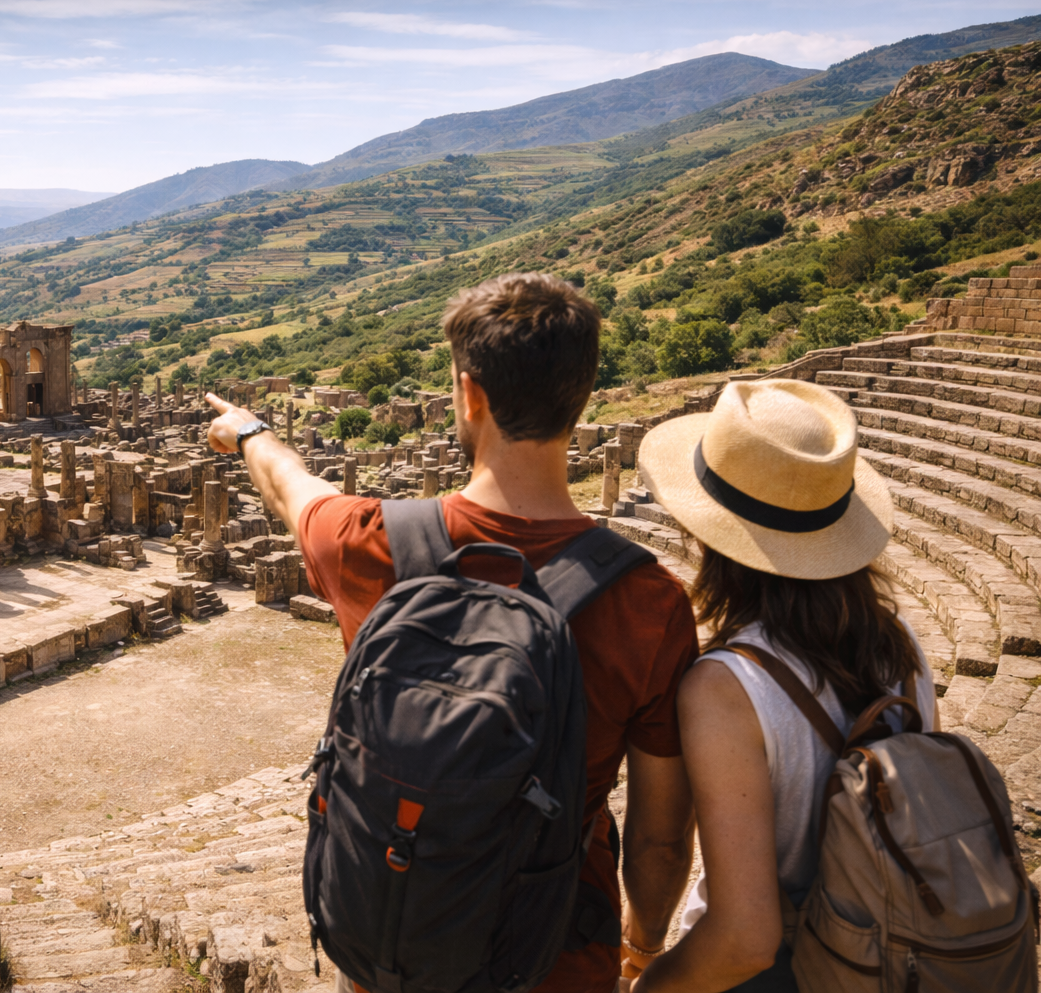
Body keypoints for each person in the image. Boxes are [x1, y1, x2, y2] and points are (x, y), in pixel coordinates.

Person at [204, 272, 700, 993]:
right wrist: (642, 947)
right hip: (553, 952)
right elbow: (658, 837)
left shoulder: (367, 541)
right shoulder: (651, 602)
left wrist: (248, 431)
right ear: (583, 395)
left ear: (470, 395)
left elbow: (289, 482)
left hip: (397, 940)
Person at [631, 378, 938, 992]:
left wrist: (647, 984)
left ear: (710, 534)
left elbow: (745, 939)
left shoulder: (726, 686)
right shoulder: (899, 642)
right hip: (892, 954)